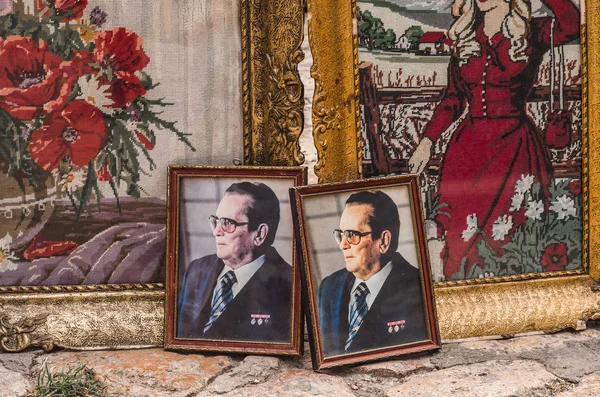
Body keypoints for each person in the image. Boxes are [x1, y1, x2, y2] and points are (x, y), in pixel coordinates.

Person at [408, 0, 580, 280]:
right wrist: (428, 141)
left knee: (511, 238)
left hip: (516, 151)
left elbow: (572, 25)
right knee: (461, 239)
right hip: (467, 153)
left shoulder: (530, 32)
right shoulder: (465, 34)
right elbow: (453, 99)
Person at [317, 190, 429, 356]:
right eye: (340, 235)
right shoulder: (328, 287)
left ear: (383, 242)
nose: (342, 245)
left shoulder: (420, 289)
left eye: (351, 235)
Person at [177, 182, 292, 342]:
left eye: (227, 223)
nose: (216, 232)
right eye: (216, 221)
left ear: (259, 234)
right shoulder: (196, 269)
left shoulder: (290, 286)